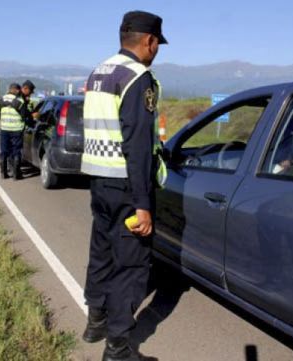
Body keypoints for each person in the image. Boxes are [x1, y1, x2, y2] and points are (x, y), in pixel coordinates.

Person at [80, 10, 167, 361]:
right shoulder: (138, 78)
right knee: (130, 265)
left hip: (99, 181)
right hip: (127, 187)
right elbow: (138, 144)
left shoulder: (99, 71)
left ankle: (95, 320)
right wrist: (143, 202)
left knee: (101, 252)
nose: (158, 49)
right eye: (158, 43)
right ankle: (117, 347)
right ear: (148, 40)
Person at [0, 83, 29, 180]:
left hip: (4, 129)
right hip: (17, 130)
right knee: (16, 151)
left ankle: (3, 174)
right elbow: (23, 117)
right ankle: (16, 175)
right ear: (17, 90)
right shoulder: (20, 101)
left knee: (4, 151)